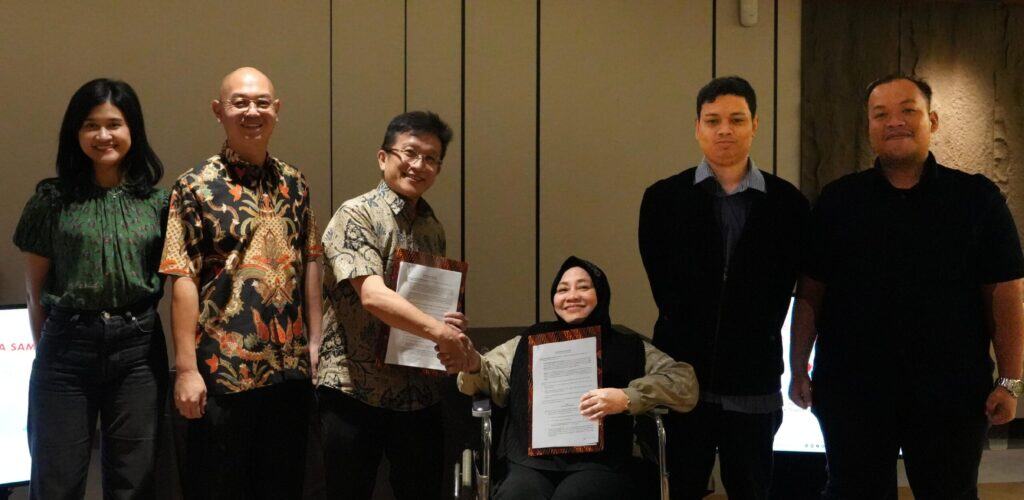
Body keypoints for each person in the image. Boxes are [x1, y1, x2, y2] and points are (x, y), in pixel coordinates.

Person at [790, 74, 1024, 499]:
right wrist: (798, 366)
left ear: (932, 121)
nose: (894, 121)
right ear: (869, 127)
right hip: (852, 391)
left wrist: (1010, 381)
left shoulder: (977, 199)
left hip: (951, 392)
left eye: (908, 111)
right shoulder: (838, 200)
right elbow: (811, 291)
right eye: (880, 114)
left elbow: (1006, 292)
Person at [638, 75, 810, 499]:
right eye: (713, 120)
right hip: (682, 375)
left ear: (755, 125)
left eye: (737, 119)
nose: (724, 130)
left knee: (751, 487)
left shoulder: (789, 204)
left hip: (754, 379)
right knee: (680, 487)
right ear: (697, 127)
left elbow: (792, 287)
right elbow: (664, 287)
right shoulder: (663, 199)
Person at [159, 67, 322, 499]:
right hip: (223, 373)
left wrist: (316, 340)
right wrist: (186, 369)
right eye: (240, 103)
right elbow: (182, 276)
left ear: (277, 109)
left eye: (262, 103)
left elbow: (310, 260)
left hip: (288, 372)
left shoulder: (295, 182)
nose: (252, 112)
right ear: (219, 111)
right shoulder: (194, 186)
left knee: (284, 487)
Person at [14, 78, 168, 499]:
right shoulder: (51, 200)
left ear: (132, 130)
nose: (103, 135)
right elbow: (34, 293)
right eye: (91, 125)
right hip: (66, 350)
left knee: (135, 481)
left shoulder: (158, 204)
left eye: (114, 124)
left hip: (138, 351)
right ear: (75, 133)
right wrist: (50, 347)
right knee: (56, 480)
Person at [315, 110, 471, 500]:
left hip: (417, 390)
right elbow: (373, 295)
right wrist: (438, 330)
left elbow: (426, 301)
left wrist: (448, 320)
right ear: (383, 157)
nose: (419, 165)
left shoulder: (432, 227)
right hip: (355, 388)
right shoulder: (356, 214)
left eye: (431, 158)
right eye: (410, 152)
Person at [457, 256, 698, 500]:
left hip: (600, 463)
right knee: (518, 494)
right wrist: (474, 364)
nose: (572, 296)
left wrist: (626, 397)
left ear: (601, 294)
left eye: (583, 287)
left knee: (576, 495)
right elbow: (492, 374)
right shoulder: (528, 341)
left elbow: (683, 381)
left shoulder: (627, 346)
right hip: (529, 461)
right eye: (563, 289)